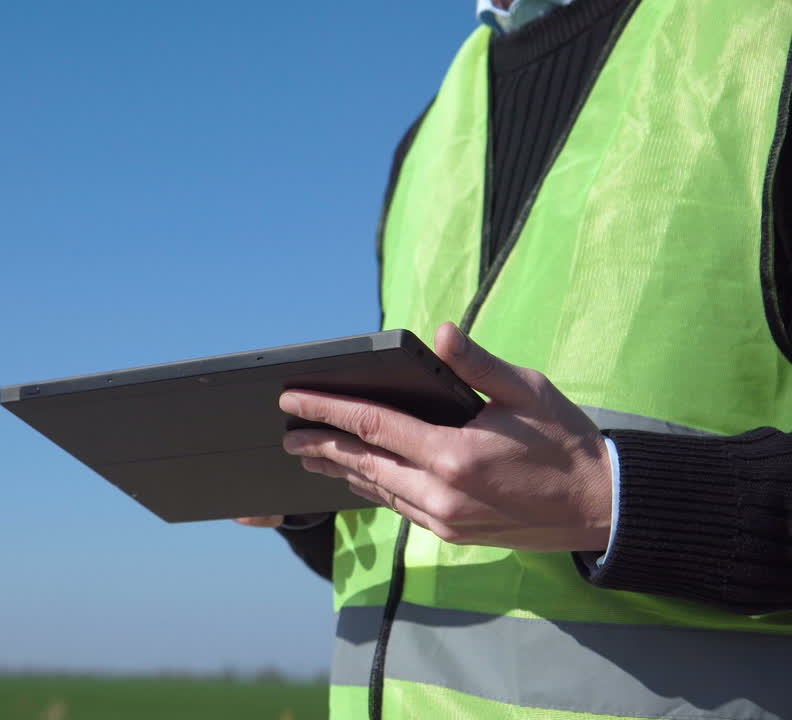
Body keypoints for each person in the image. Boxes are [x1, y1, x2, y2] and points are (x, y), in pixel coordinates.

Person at [240, 1, 792, 718]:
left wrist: (612, 496)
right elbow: (447, 538)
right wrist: (313, 501)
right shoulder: (429, 135)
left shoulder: (765, 45)